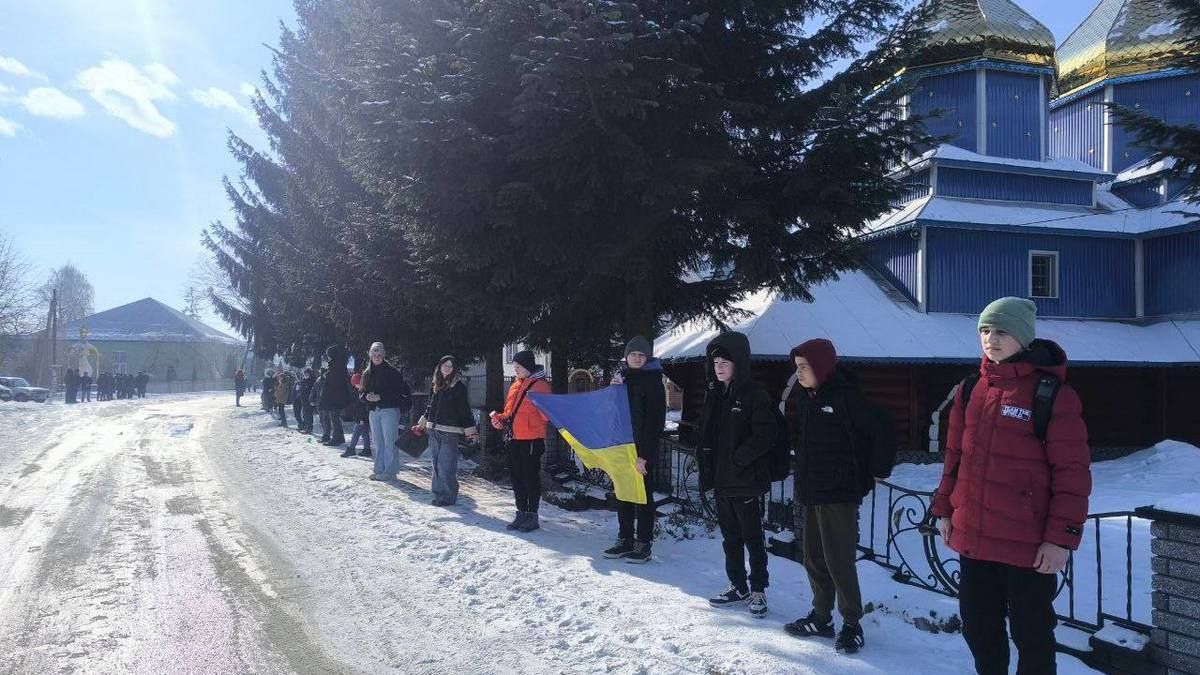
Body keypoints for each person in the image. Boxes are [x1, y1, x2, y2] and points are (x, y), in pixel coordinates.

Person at [931, 297, 1091, 675]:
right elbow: (955, 457)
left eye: (1001, 331)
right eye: (984, 330)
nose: (991, 339)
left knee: (1032, 638)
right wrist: (943, 509)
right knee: (979, 631)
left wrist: (1061, 538)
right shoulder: (971, 389)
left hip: (1027, 546)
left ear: (1022, 335)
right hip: (975, 539)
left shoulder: (1052, 395)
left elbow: (1073, 473)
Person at [782, 339, 895, 654]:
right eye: (797, 368)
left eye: (804, 367)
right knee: (813, 558)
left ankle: (851, 623)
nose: (799, 374)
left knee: (839, 560)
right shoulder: (806, 400)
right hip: (813, 491)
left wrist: (877, 470)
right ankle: (821, 617)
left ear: (820, 367)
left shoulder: (846, 399)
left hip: (839, 493)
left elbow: (883, 429)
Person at [696, 331, 775, 617]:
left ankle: (758, 591)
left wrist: (740, 459)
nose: (719, 367)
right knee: (730, 538)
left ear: (738, 363)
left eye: (725, 362)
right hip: (722, 481)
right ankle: (738, 586)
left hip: (745, 482)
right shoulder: (715, 395)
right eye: (716, 361)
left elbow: (766, 435)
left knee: (752, 537)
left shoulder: (754, 394)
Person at [602, 336, 666, 563]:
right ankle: (625, 539)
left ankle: (643, 543)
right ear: (626, 357)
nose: (637, 358)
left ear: (647, 357)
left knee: (642, 497)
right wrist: (613, 390)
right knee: (623, 493)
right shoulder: (622, 380)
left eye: (641, 355)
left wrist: (644, 455)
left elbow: (655, 422)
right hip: (621, 448)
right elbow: (611, 413)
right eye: (633, 354)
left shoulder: (653, 382)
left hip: (641, 451)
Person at [490, 351, 551, 532]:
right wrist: (499, 419)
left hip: (532, 439)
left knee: (530, 477)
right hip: (514, 438)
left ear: (528, 367)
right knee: (516, 478)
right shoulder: (515, 385)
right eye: (515, 367)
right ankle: (521, 512)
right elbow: (510, 412)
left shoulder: (540, 386)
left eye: (518, 367)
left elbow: (546, 415)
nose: (515, 370)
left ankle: (532, 515)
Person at [414, 356, 479, 506]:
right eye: (445, 365)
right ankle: (438, 494)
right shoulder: (435, 384)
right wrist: (423, 421)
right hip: (433, 429)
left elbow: (464, 410)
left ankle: (448, 496)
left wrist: (471, 431)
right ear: (440, 366)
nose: (447, 368)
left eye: (450, 366)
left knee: (446, 465)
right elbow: (430, 406)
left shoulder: (458, 387)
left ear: (454, 369)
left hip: (450, 431)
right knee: (436, 464)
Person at [360, 342, 411, 481]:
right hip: (373, 411)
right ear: (370, 355)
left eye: (379, 353)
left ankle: (390, 471)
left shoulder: (392, 372)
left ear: (383, 354)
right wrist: (366, 396)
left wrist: (381, 396)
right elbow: (361, 392)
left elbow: (400, 392)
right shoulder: (367, 373)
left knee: (390, 441)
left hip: (389, 410)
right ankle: (379, 469)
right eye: (374, 353)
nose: (376, 356)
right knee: (378, 442)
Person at [319, 345, 352, 446]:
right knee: (335, 417)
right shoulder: (339, 364)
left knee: (334, 418)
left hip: (335, 396)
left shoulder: (336, 364)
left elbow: (333, 381)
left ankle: (337, 438)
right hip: (337, 395)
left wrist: (326, 375)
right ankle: (339, 437)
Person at [344, 377, 372, 458]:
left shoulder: (363, 392)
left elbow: (363, 408)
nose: (355, 386)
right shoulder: (359, 391)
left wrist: (362, 419)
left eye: (356, 384)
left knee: (356, 433)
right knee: (364, 434)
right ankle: (367, 449)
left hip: (362, 417)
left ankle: (351, 449)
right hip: (361, 417)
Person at [299, 369, 317, 433]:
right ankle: (306, 427)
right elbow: (302, 390)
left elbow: (313, 392)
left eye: (307, 374)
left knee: (309, 415)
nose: (306, 375)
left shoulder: (312, 381)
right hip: (303, 400)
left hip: (309, 400)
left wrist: (312, 400)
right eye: (305, 374)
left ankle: (309, 428)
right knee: (304, 414)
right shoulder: (303, 381)